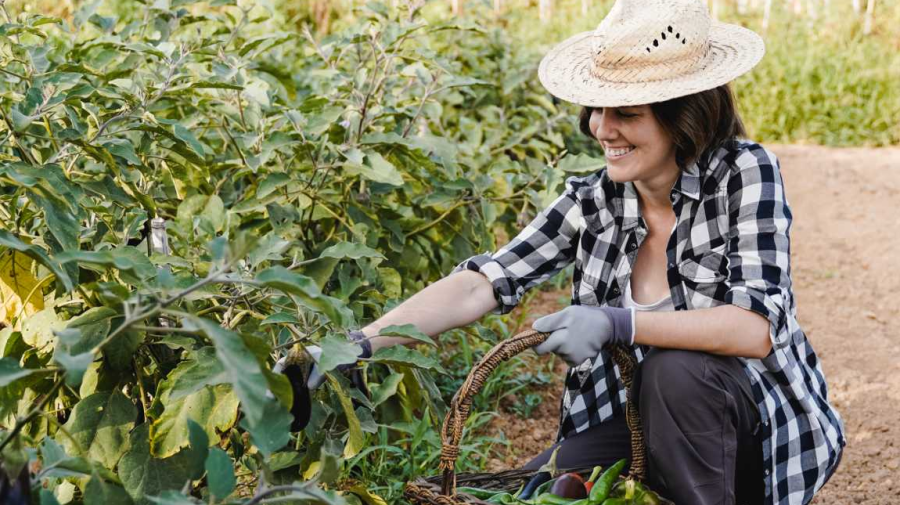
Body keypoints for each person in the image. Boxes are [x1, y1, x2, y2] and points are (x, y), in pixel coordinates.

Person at [287, 0, 846, 503]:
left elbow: (754, 328)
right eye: (596, 109)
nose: (602, 128)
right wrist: (357, 344)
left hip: (748, 436)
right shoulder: (594, 199)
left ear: (684, 115)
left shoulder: (743, 174)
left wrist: (614, 321)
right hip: (639, 427)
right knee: (539, 492)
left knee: (678, 372)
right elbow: (486, 279)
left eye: (626, 113)